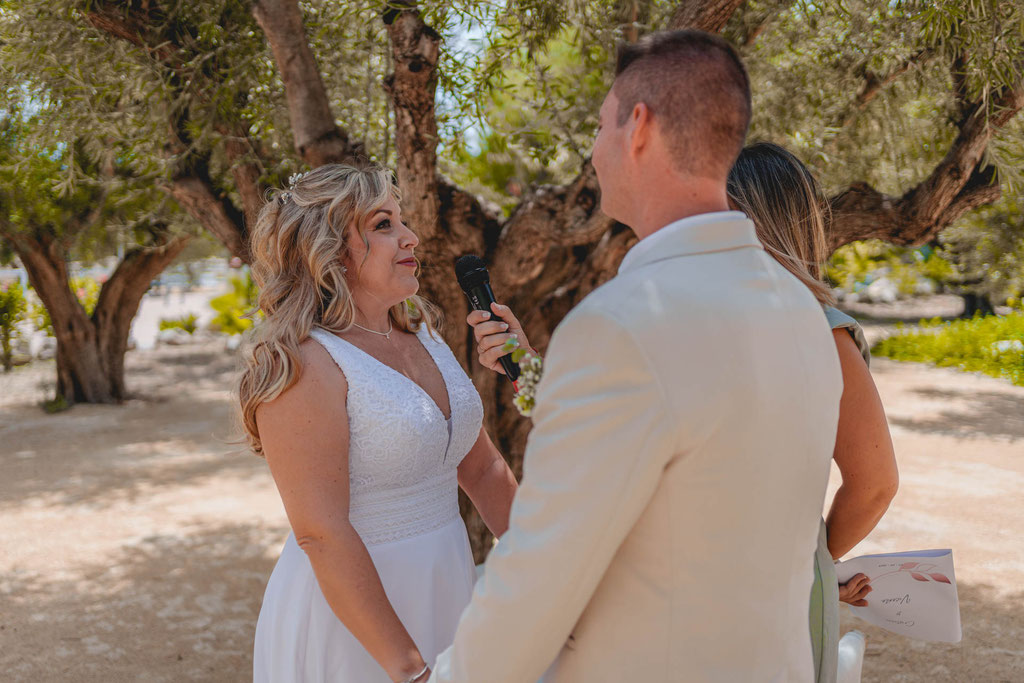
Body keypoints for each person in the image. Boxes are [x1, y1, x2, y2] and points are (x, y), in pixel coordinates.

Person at [429, 29, 842, 682]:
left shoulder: (620, 327)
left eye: (600, 126)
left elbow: (541, 571)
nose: (593, 150)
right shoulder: (800, 314)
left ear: (639, 128)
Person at [239, 164, 518, 683]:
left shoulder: (424, 334)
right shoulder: (304, 363)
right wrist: (411, 671)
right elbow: (320, 532)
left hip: (445, 586)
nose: (411, 237)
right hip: (358, 626)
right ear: (329, 249)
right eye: (383, 224)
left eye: (402, 219)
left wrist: (550, 575)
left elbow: (480, 471)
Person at [727, 141, 899, 682]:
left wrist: (812, 559)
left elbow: (875, 483)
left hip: (776, 597)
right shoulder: (699, 323)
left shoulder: (823, 333)